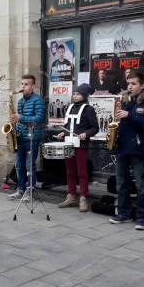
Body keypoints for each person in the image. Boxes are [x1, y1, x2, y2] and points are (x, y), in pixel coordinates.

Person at [108, 71, 144, 230]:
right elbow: (118, 120)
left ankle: (143, 217)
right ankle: (124, 213)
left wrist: (129, 114)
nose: (130, 87)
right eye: (128, 83)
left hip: (138, 148)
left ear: (142, 85)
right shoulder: (124, 99)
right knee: (121, 183)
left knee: (142, 184)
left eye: (133, 84)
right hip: (122, 146)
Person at [55, 83, 99, 212]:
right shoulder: (70, 107)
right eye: (74, 93)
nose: (75, 96)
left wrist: (86, 134)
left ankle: (84, 197)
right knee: (70, 171)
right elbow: (68, 125)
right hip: (69, 143)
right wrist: (63, 133)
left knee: (82, 172)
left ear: (84, 95)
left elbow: (95, 128)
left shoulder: (88, 109)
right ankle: (71, 195)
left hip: (81, 145)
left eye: (78, 94)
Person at [8, 74, 45, 201]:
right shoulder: (20, 101)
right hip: (20, 136)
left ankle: (30, 191)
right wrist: (14, 128)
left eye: (26, 84)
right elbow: (18, 120)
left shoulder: (38, 100)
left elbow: (39, 119)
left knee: (30, 165)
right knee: (19, 165)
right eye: (22, 84)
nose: (23, 87)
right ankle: (21, 189)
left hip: (32, 137)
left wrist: (20, 117)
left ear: (33, 86)